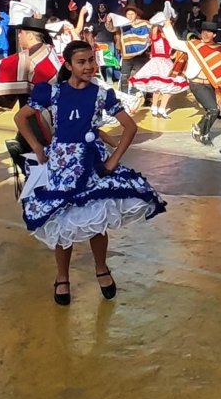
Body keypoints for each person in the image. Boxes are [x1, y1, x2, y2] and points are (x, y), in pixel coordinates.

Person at [14, 40, 166, 305]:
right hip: (62, 165)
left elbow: (130, 128)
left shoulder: (101, 94)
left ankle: (101, 267)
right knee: (62, 221)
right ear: (68, 64)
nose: (88, 67)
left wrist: (113, 162)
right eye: (81, 62)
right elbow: (21, 118)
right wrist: (38, 147)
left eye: (91, 61)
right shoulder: (53, 92)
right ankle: (62, 276)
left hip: (92, 164)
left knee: (97, 220)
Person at [161, 20, 221, 144]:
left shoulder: (218, 49)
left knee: (212, 110)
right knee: (213, 110)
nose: (206, 34)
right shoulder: (193, 45)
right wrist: (168, 25)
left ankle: (199, 128)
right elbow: (174, 43)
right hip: (196, 83)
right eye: (204, 31)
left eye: (209, 32)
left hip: (209, 84)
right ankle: (204, 135)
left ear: (214, 35)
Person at [129, 19, 188, 118]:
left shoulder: (171, 39)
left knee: (168, 88)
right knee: (157, 87)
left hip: (167, 62)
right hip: (157, 62)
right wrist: (158, 19)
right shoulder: (156, 36)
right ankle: (155, 107)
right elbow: (155, 31)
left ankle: (161, 108)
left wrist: (177, 56)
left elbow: (173, 53)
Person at [114, 7, 151, 94]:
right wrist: (108, 21)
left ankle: (141, 96)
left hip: (140, 55)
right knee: (124, 76)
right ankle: (124, 96)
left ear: (136, 15)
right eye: (128, 14)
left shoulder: (144, 23)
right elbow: (112, 28)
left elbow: (153, 28)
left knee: (140, 76)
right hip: (127, 55)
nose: (130, 16)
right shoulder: (122, 24)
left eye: (132, 14)